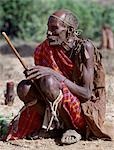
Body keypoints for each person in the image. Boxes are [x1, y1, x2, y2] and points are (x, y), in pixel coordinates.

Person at [3, 9, 111, 144]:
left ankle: (73, 128)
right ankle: (54, 128)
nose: (49, 32)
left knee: (49, 81)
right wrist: (35, 78)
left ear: (70, 30)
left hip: (82, 111)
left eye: (54, 28)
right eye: (48, 28)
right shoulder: (43, 49)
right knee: (24, 87)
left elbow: (86, 94)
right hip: (55, 109)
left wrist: (53, 73)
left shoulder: (84, 48)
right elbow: (45, 89)